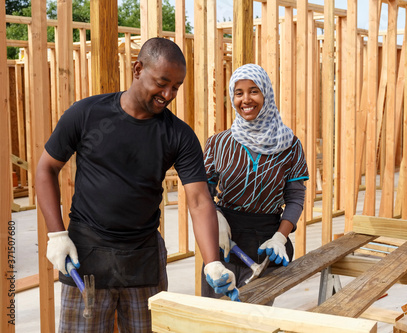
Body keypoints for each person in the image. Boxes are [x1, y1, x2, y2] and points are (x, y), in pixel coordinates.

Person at [36, 37, 237, 332]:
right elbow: (46, 168)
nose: (168, 94)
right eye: (162, 82)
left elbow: (199, 200)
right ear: (138, 68)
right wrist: (56, 234)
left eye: (176, 87)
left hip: (143, 259)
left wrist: (212, 262)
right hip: (87, 255)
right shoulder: (87, 114)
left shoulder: (178, 135)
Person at [201, 64, 309, 299]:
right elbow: (202, 194)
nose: (246, 99)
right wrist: (215, 218)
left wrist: (281, 236)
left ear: (266, 94)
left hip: (265, 244)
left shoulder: (289, 145)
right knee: (214, 320)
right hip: (223, 240)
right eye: (239, 93)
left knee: (254, 321)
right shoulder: (218, 143)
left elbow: (295, 197)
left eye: (254, 91)